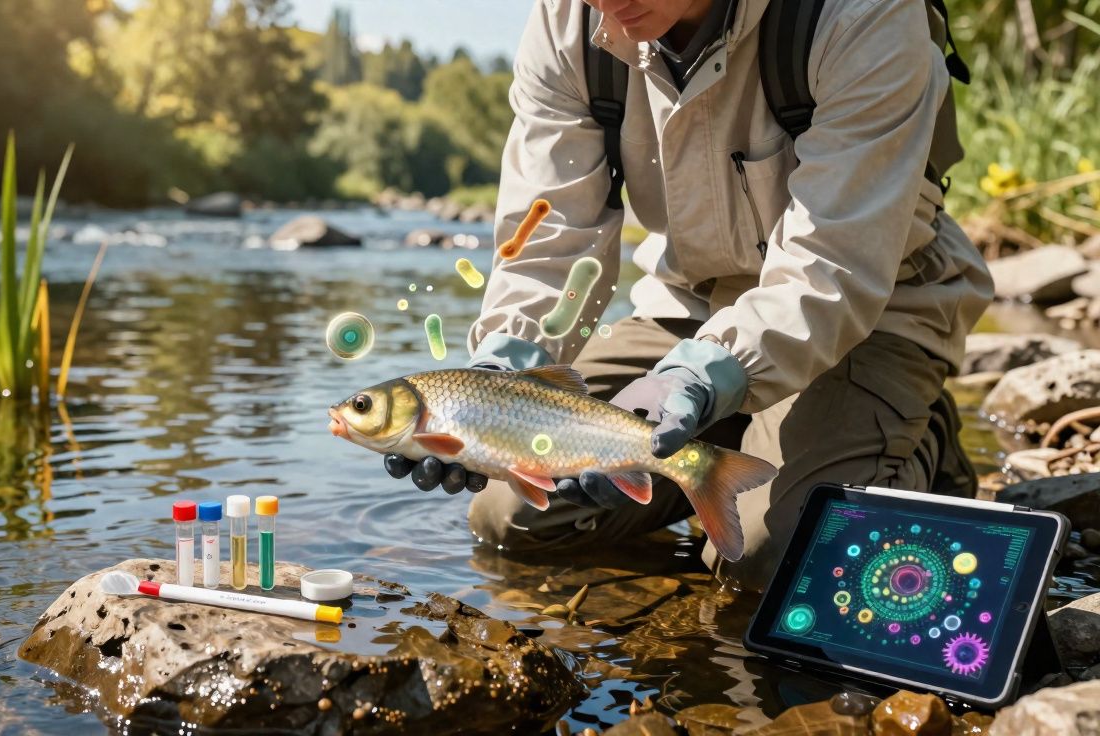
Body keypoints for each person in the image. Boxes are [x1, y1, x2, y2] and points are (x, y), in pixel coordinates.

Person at [382, 0, 993, 590]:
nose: (603, 1)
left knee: (767, 561)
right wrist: (501, 373)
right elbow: (550, 240)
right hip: (691, 307)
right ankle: (712, 453)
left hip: (869, 309)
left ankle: (917, 437)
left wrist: (703, 377)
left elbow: (832, 264)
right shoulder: (568, 20)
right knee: (510, 519)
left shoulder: (861, 12)